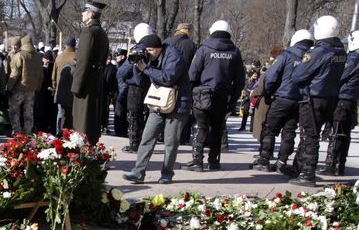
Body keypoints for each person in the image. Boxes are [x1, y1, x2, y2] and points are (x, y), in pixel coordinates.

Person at [122, 34, 191, 184]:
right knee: (147, 137)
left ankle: (167, 174)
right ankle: (138, 172)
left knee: (170, 142)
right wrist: (137, 65)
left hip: (178, 105)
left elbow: (168, 78)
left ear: (157, 48)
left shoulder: (174, 56)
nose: (147, 54)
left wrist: (146, 68)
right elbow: (140, 82)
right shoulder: (150, 58)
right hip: (158, 103)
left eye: (149, 51)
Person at [289, 15, 346, 186]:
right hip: (331, 97)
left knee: (309, 136)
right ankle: (302, 168)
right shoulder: (340, 52)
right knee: (316, 135)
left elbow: (298, 76)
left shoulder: (319, 52)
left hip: (313, 98)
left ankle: (307, 174)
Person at [182, 20, 245, 172]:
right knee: (217, 129)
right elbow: (240, 80)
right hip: (222, 96)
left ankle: (197, 160)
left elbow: (193, 74)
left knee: (200, 126)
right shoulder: (235, 52)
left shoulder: (204, 49)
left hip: (202, 94)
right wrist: (233, 100)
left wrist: (190, 95)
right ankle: (214, 161)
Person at [252, 30, 313, 173]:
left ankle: (264, 159)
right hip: (299, 100)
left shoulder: (286, 56)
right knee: (289, 132)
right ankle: (282, 162)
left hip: (282, 97)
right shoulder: (311, 58)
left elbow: (271, 76)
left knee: (269, 129)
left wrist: (268, 93)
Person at [319, 30, 359, 176]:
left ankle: (333, 165)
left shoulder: (353, 59)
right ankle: (339, 164)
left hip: (342, 99)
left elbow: (340, 76)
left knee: (337, 134)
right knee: (344, 134)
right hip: (350, 100)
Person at [71, 0, 109, 145]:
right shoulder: (101, 33)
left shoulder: (89, 31)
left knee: (83, 120)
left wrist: (76, 86)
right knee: (92, 119)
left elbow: (83, 62)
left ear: (91, 14)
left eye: (85, 10)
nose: (82, 13)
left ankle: (83, 154)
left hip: (86, 83)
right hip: (95, 79)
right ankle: (91, 151)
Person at [120, 23, 154, 154]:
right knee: (146, 116)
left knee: (134, 116)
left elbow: (123, 70)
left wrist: (124, 79)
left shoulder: (138, 48)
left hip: (135, 87)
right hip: (150, 85)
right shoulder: (154, 48)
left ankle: (134, 143)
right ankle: (144, 143)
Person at [6, 35, 43, 135]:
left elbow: (15, 73)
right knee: (29, 113)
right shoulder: (38, 56)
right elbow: (41, 75)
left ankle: (17, 133)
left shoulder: (20, 55)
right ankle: (27, 133)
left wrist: (9, 87)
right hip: (32, 90)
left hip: (19, 88)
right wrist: (37, 88)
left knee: (14, 111)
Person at [52, 37, 77, 135]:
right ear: (74, 45)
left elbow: (53, 75)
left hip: (60, 90)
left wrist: (54, 87)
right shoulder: (78, 56)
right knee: (72, 114)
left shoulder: (59, 57)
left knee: (61, 114)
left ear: (65, 45)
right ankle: (72, 135)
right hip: (74, 90)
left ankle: (59, 133)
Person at [35, 49, 56, 133]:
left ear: (46, 59)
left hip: (42, 94)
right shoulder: (53, 68)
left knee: (42, 112)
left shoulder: (42, 69)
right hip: (51, 94)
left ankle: (42, 129)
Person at [103, 54, 118, 134]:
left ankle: (105, 125)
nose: (107, 60)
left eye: (109, 58)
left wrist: (113, 91)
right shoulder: (101, 66)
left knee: (106, 109)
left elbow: (114, 81)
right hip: (100, 91)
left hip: (108, 92)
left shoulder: (113, 68)